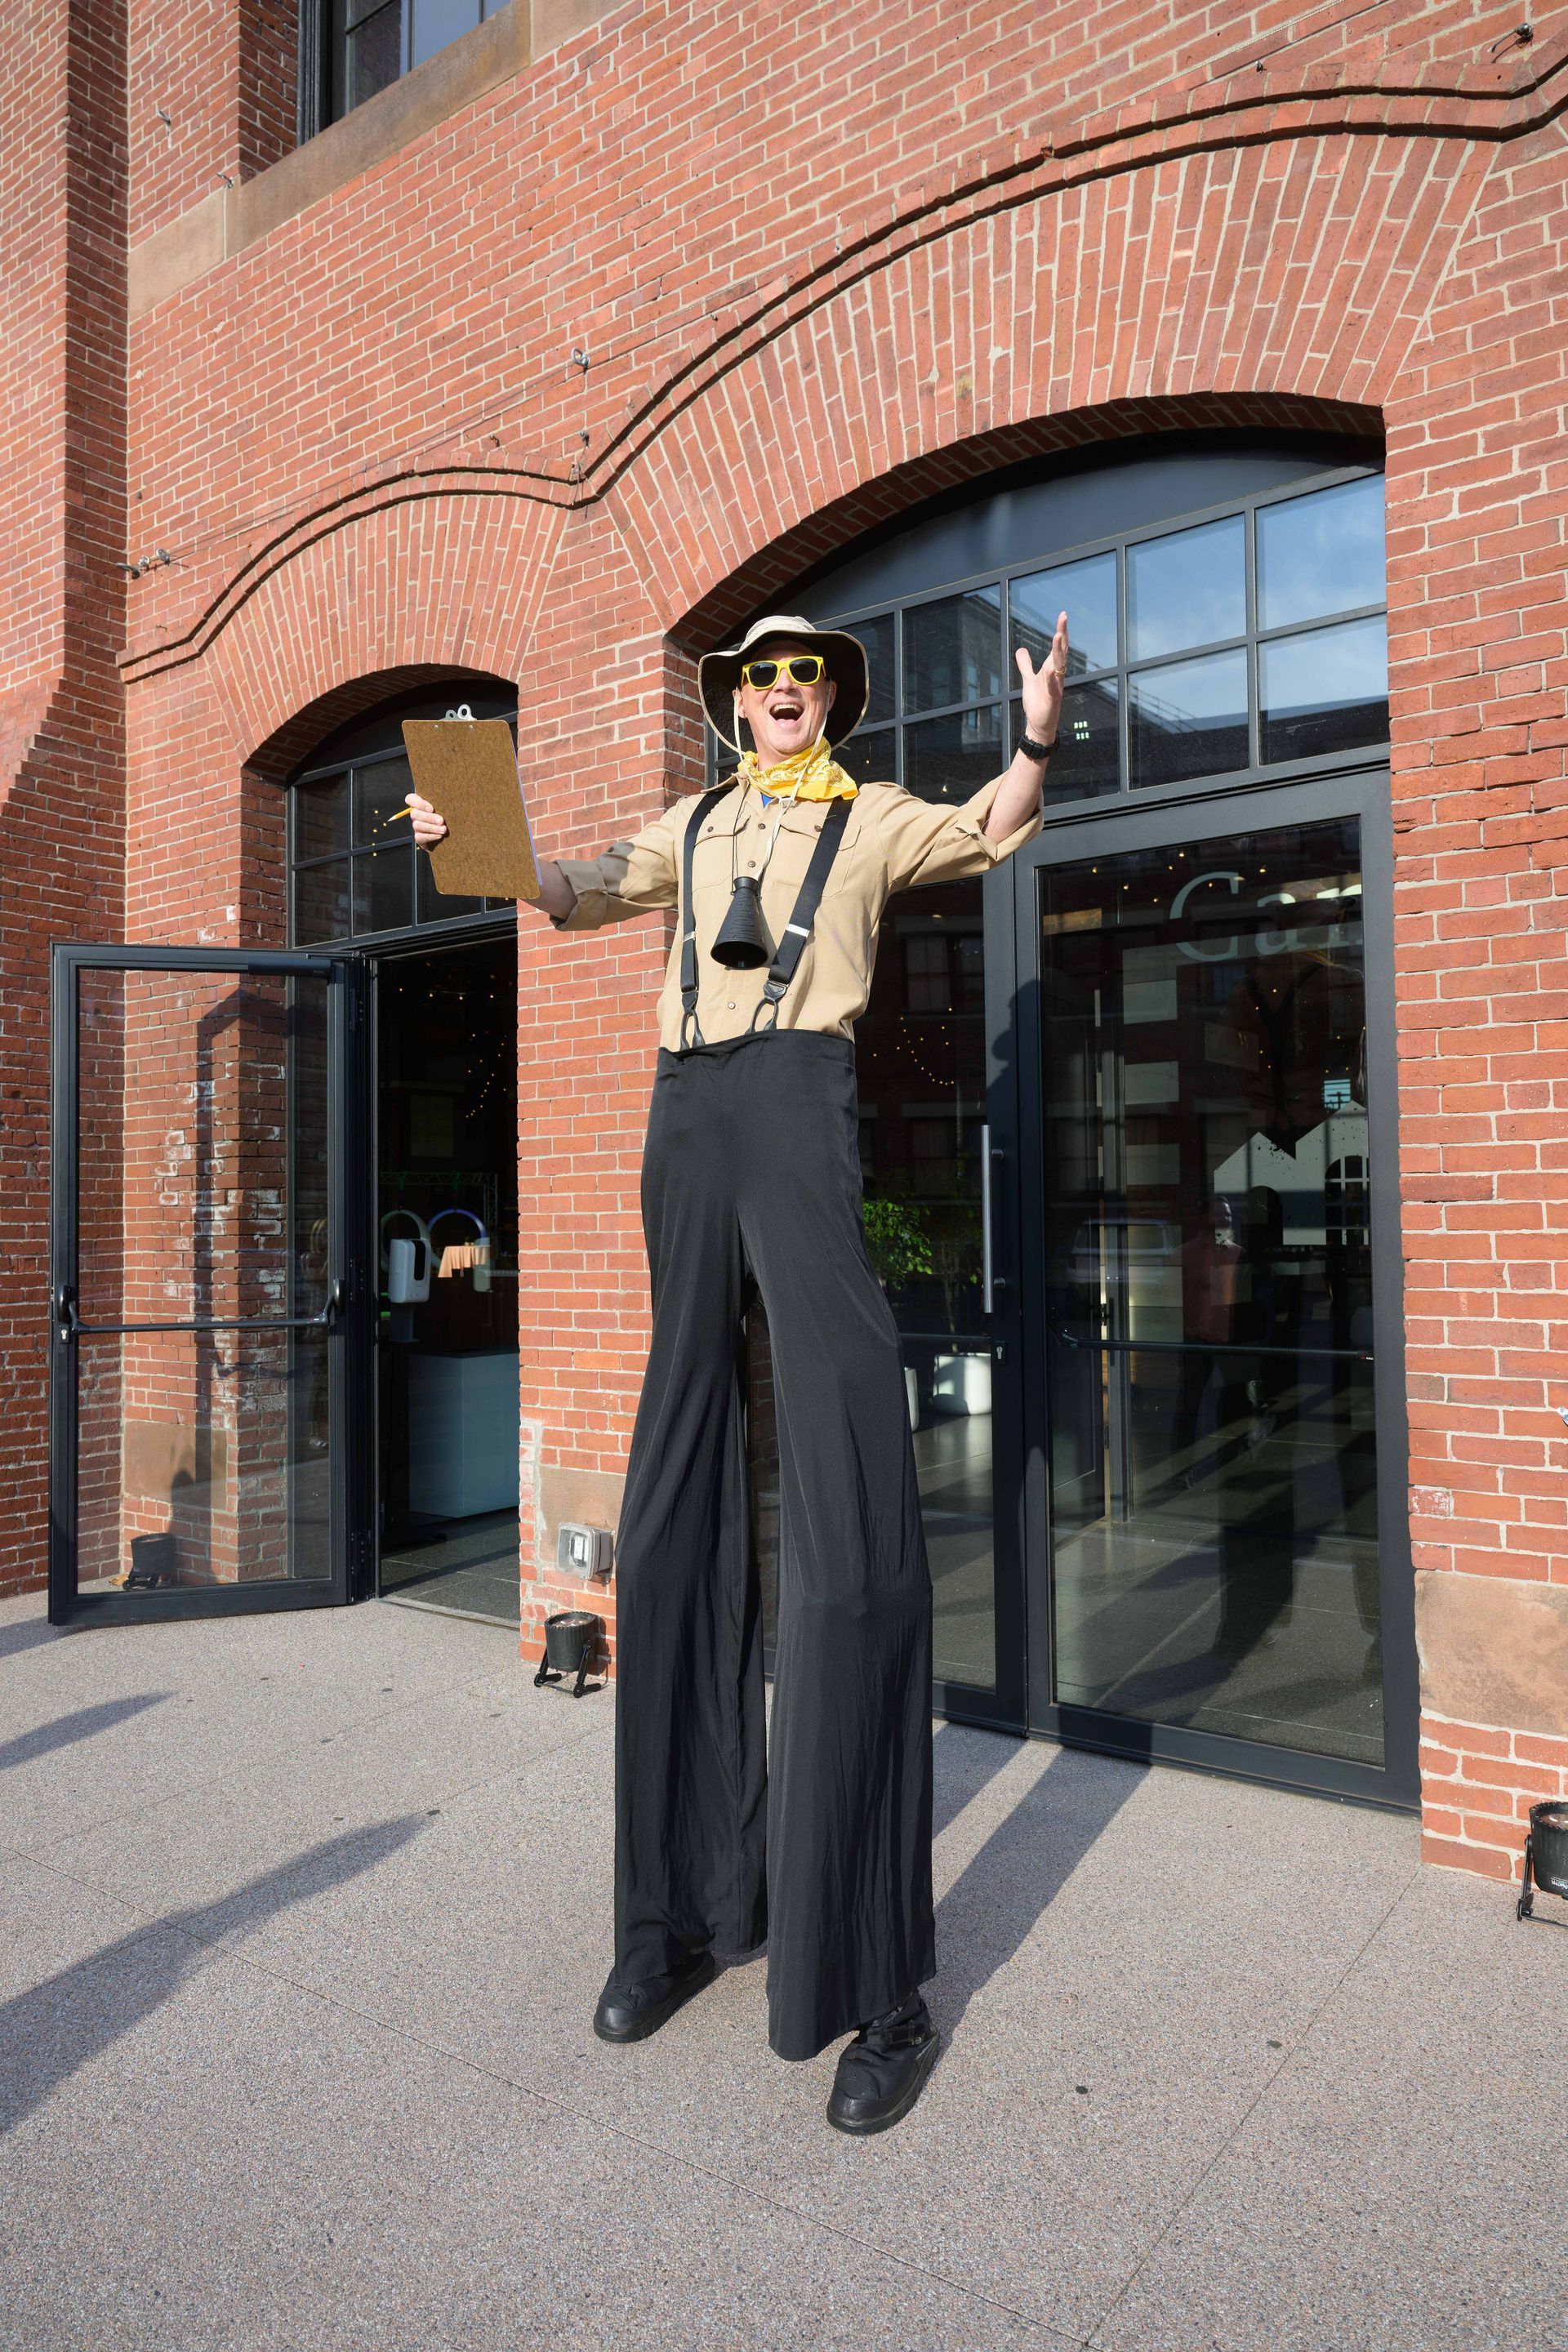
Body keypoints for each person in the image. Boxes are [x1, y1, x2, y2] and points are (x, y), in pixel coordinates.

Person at [408, 608, 1067, 2132]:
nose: (780, 693)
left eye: (802, 676)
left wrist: (1034, 738)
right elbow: (570, 889)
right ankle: (681, 1914)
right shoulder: (693, 821)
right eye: (759, 678)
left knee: (844, 1489)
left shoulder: (873, 811)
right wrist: (474, 841)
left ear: (829, 695)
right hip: (683, 1116)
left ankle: (881, 1984)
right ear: (733, 703)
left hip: (798, 1096)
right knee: (675, 1488)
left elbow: (990, 829)